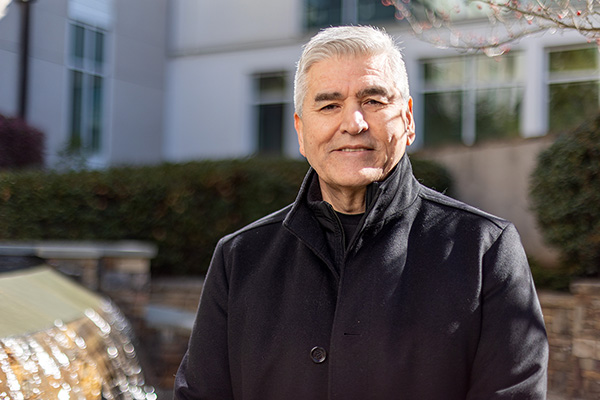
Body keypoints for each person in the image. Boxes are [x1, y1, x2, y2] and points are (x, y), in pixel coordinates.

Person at [173, 26, 548, 400]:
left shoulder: (484, 250)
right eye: (329, 105)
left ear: (408, 119)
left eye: (373, 100)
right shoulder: (240, 258)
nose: (353, 123)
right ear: (301, 131)